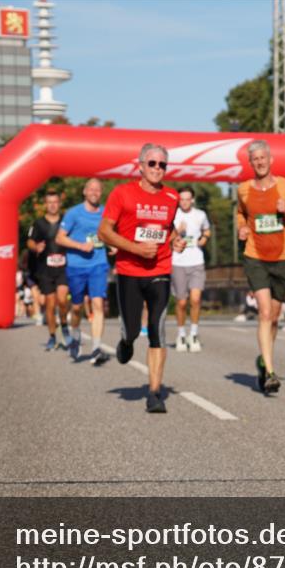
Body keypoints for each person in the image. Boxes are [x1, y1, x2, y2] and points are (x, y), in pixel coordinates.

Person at [98, 143, 186, 413]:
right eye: (152, 164)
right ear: (140, 166)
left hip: (160, 270)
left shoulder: (171, 197)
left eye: (162, 165)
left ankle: (155, 392)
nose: (158, 169)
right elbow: (104, 231)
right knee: (133, 329)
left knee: (158, 331)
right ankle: (126, 342)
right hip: (129, 272)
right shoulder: (122, 194)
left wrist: (176, 241)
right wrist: (135, 248)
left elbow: (167, 229)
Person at [235, 140, 285, 394]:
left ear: (271, 159)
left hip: (282, 258)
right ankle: (269, 370)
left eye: (263, 158)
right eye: (254, 159)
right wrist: (241, 228)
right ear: (250, 163)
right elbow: (240, 214)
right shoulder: (243, 189)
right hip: (254, 256)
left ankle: (263, 359)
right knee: (265, 313)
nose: (259, 162)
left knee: (275, 317)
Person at [56, 178, 111, 364]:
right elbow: (60, 238)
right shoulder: (73, 214)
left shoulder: (106, 213)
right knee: (77, 307)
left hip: (98, 264)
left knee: (98, 304)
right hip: (76, 266)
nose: (95, 193)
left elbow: (109, 235)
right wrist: (80, 245)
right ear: (85, 192)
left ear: (101, 193)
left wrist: (113, 245)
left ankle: (96, 348)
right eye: (91, 189)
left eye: (98, 190)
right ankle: (76, 333)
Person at [27, 190, 71, 351]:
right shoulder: (38, 223)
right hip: (45, 269)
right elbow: (30, 242)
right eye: (49, 202)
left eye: (55, 202)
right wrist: (36, 246)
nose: (53, 205)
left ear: (59, 204)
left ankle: (64, 324)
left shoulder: (66, 222)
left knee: (62, 299)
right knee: (50, 305)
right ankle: (52, 336)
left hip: (63, 267)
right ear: (45, 204)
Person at [171, 186, 212, 352]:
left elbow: (207, 230)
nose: (185, 202)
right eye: (182, 199)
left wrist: (204, 239)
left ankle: (193, 334)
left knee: (195, 299)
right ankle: (181, 334)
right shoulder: (173, 215)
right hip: (178, 262)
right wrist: (177, 232)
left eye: (188, 199)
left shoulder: (200, 215)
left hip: (196, 261)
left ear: (192, 200)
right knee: (181, 302)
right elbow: (165, 235)